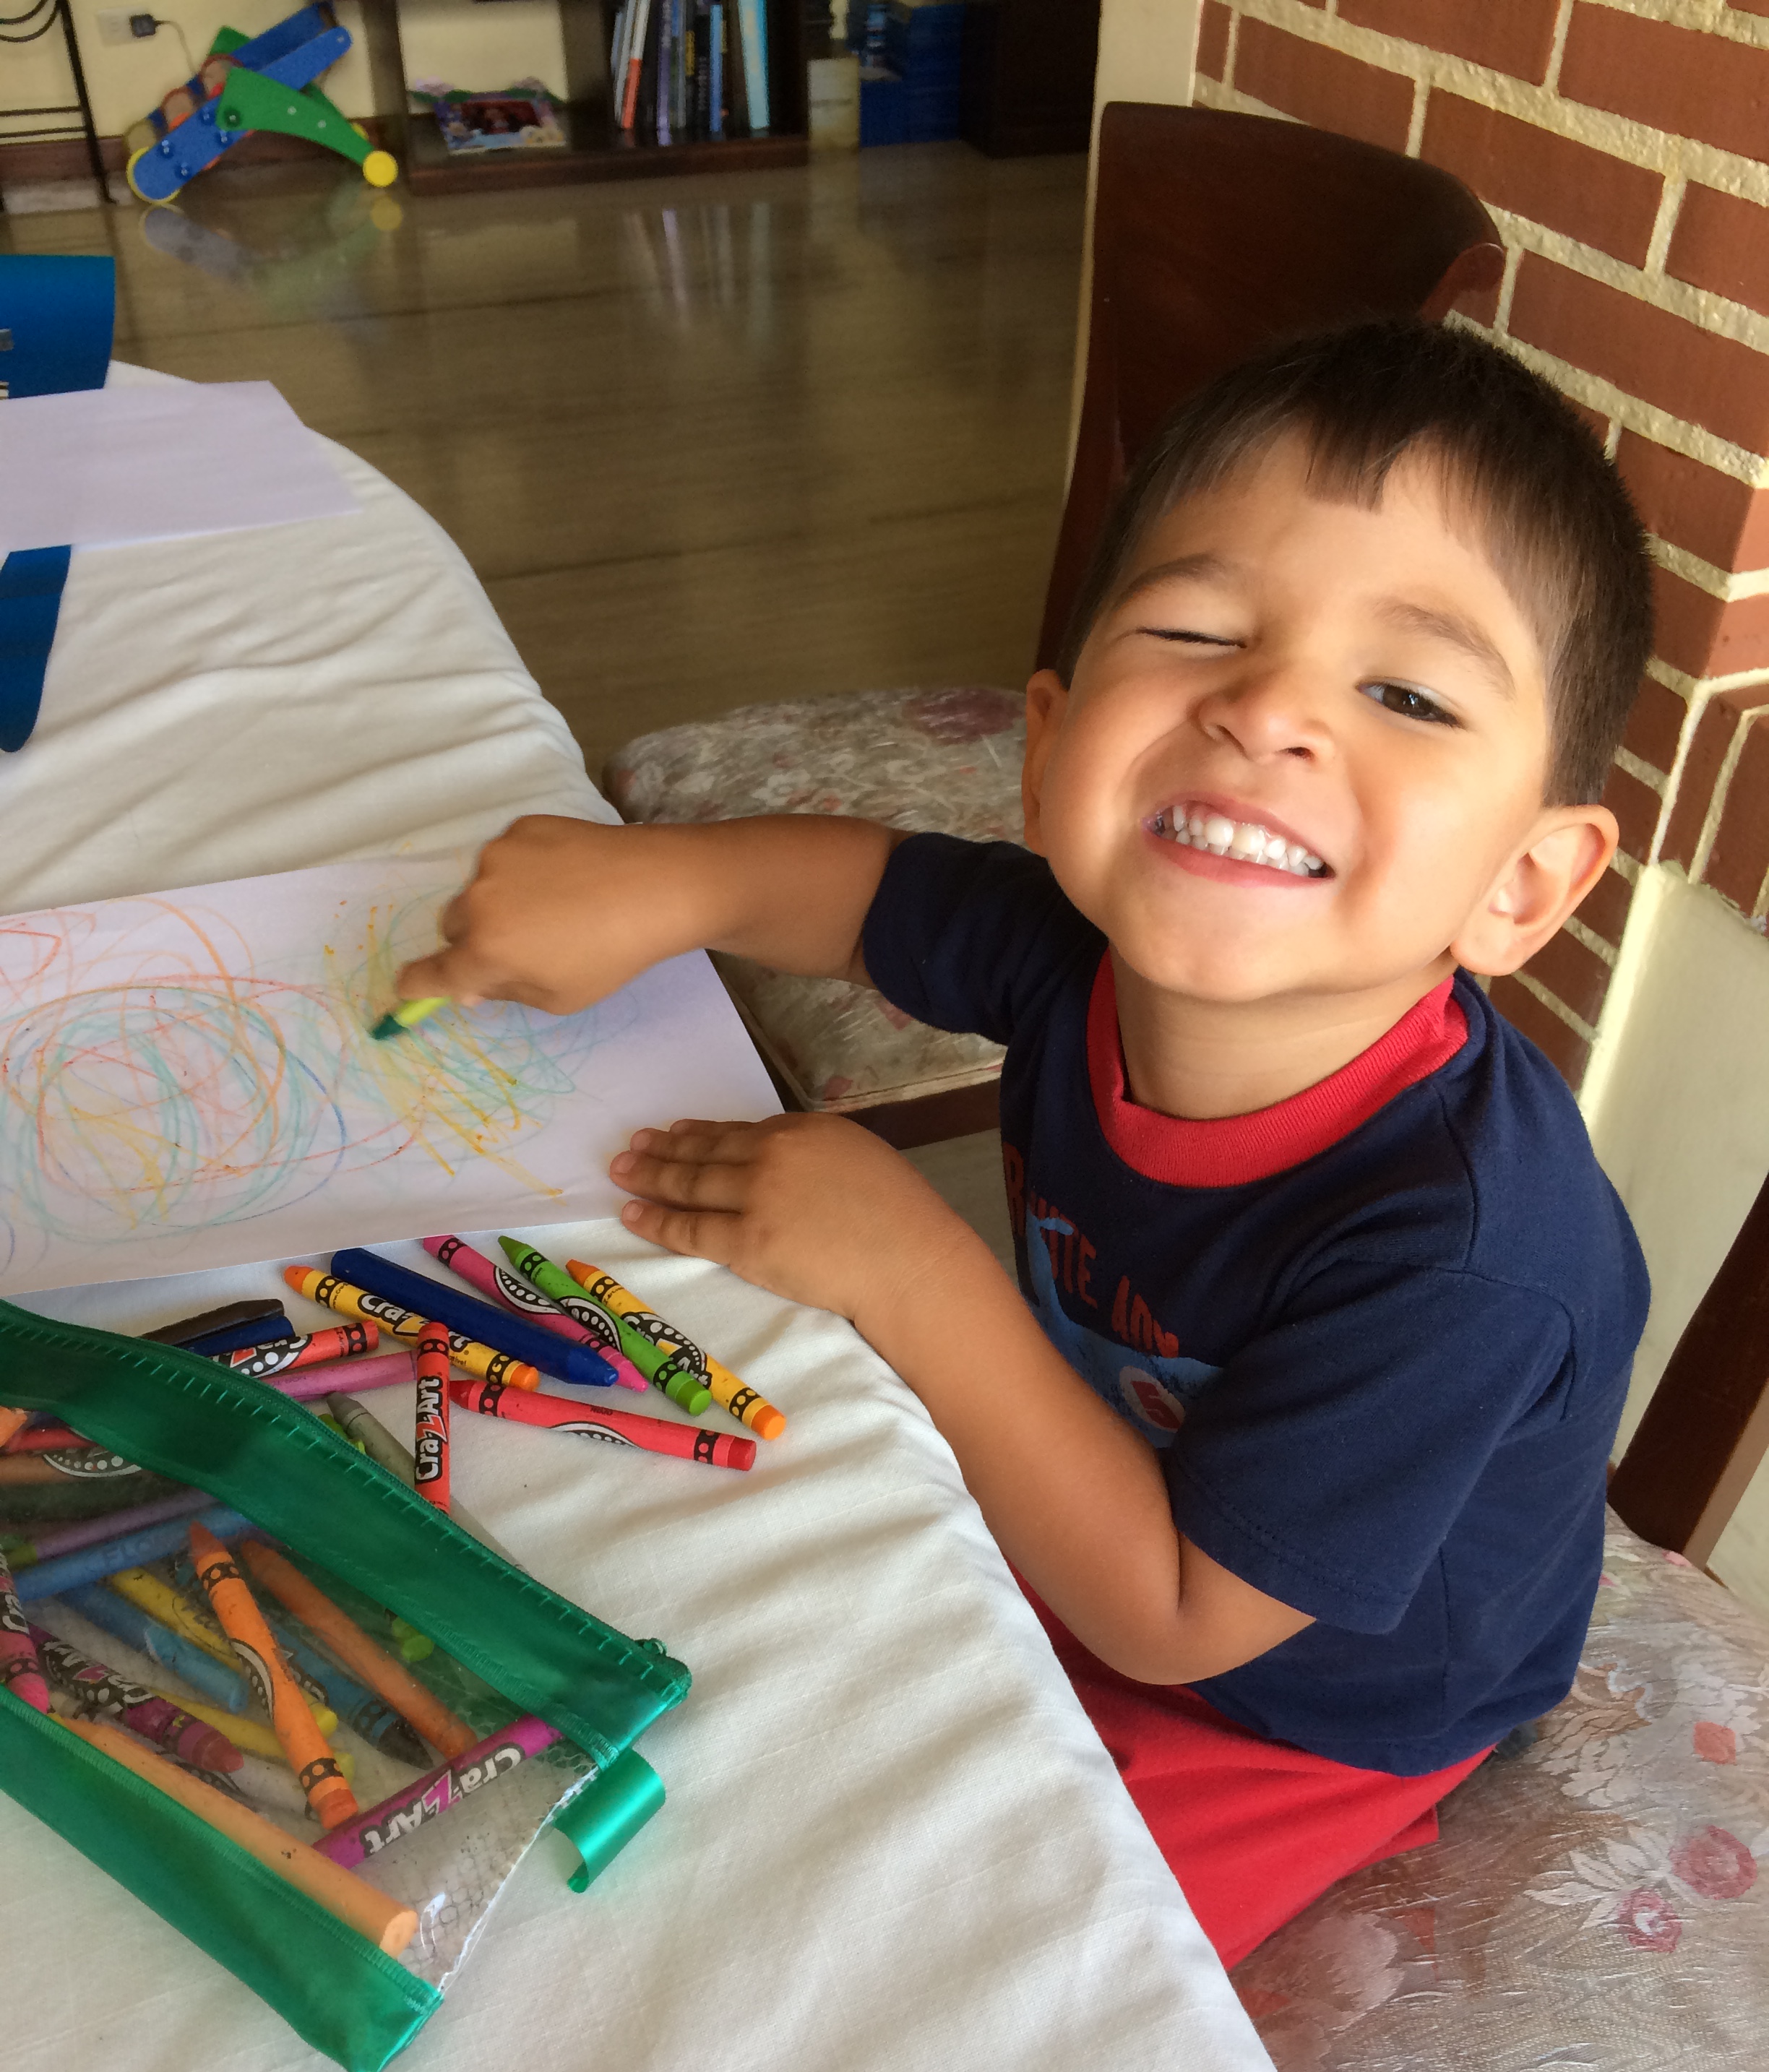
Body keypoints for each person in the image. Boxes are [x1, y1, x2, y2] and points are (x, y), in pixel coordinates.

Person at [396, 319, 1653, 1966]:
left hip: (1308, 1698)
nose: (1267, 709)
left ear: (1525, 885)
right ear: (1050, 748)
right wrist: (661, 883)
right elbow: (866, 893)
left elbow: (1178, 1616)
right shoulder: (1080, 948)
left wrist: (911, 1270)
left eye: (1407, 692)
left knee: (959, 1943)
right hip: (1093, 1509)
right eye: (1200, 630)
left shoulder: (1470, 1256)